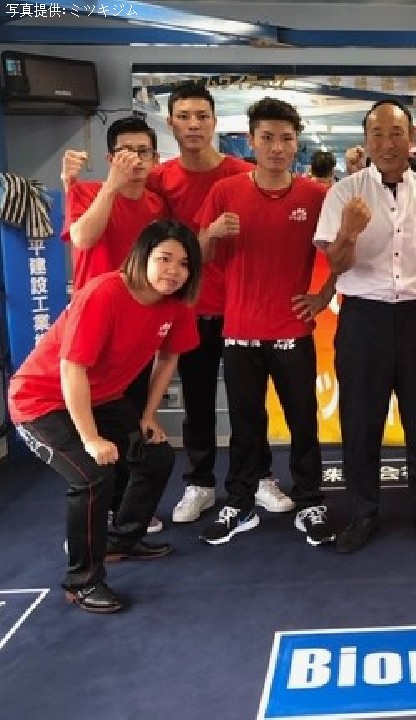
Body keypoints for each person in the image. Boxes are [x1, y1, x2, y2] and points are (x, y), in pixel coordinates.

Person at [60, 82, 290, 526]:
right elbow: (111, 218)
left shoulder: (245, 174)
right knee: (197, 402)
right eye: (184, 116)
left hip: (242, 309)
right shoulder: (159, 180)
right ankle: (199, 482)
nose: (193, 125)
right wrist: (71, 184)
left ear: (214, 121)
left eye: (202, 116)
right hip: (185, 309)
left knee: (248, 403)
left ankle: (259, 476)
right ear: (171, 124)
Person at [8, 220, 202, 613]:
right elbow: (72, 369)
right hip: (41, 402)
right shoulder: (104, 293)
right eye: (165, 258)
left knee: (156, 456)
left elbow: (168, 357)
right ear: (142, 256)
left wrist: (148, 415)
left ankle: (122, 540)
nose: (173, 271)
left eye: (184, 264)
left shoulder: (176, 306)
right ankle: (82, 581)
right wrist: (91, 438)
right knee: (92, 477)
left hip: (103, 398)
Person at [315, 99, 416, 553]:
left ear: (411, 139)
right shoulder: (344, 194)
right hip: (363, 317)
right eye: (377, 134)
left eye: (396, 133)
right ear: (366, 141)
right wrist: (349, 232)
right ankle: (363, 513)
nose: (387, 142)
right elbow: (335, 264)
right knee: (361, 421)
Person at [195, 97, 333, 547]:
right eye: (268, 138)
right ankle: (240, 500)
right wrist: (211, 233)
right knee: (244, 424)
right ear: (251, 141)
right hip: (239, 332)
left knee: (303, 421)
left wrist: (323, 296)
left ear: (297, 144)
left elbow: (344, 254)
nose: (277, 147)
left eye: (286, 139)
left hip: (293, 332)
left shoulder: (316, 197)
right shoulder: (225, 192)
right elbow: (200, 256)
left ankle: (310, 499)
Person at [61, 115, 168, 534]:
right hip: (92, 329)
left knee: (130, 423)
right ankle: (95, 515)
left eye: (144, 152)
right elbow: (84, 238)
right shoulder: (85, 191)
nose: (135, 160)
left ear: (154, 158)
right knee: (92, 427)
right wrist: (111, 185)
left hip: (137, 333)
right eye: (126, 152)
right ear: (110, 157)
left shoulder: (156, 205)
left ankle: (125, 511)